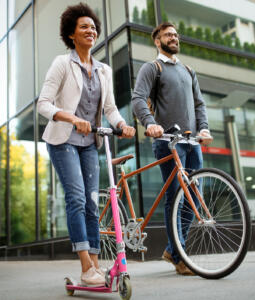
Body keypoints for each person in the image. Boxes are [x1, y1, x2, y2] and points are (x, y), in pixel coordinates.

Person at [37, 3, 135, 286]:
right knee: (77, 198)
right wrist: (70, 117)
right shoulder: (62, 64)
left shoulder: (103, 70)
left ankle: (94, 266)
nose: (90, 30)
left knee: (93, 203)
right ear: (71, 34)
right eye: (84, 27)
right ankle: (84, 266)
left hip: (89, 143)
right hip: (63, 140)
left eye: (93, 27)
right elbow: (43, 103)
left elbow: (111, 108)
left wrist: (121, 124)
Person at [132, 22, 212, 275]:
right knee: (175, 196)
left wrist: (205, 129)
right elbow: (137, 99)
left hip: (191, 143)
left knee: (193, 197)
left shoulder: (188, 70)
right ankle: (180, 256)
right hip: (167, 141)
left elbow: (199, 104)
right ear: (157, 41)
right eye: (168, 35)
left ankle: (175, 250)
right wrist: (150, 123)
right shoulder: (152, 68)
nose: (174, 38)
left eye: (176, 34)